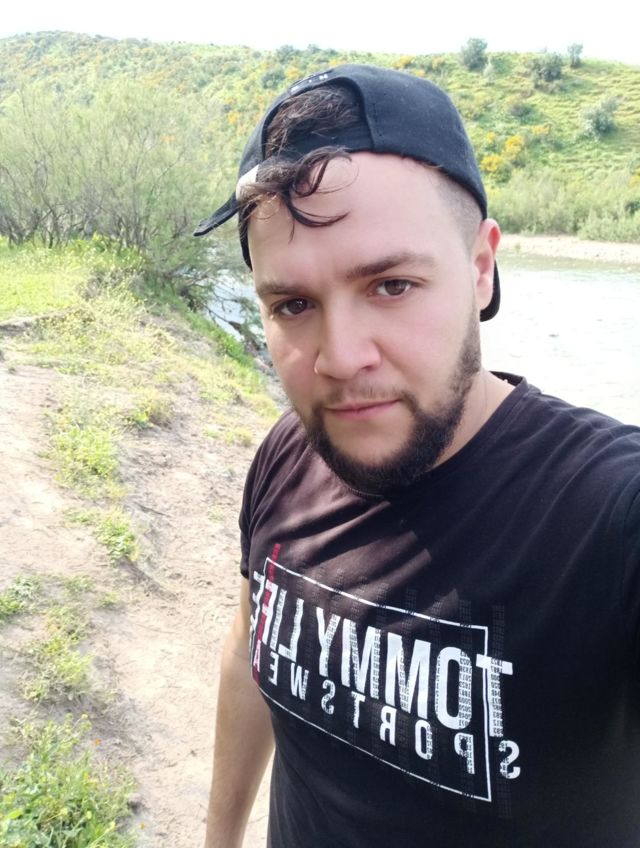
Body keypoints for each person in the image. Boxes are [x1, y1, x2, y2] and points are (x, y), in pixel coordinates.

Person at [195, 64, 640, 848]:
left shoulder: (605, 513)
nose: (340, 358)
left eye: (392, 285)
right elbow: (247, 652)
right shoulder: (287, 453)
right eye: (293, 304)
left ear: (480, 268)